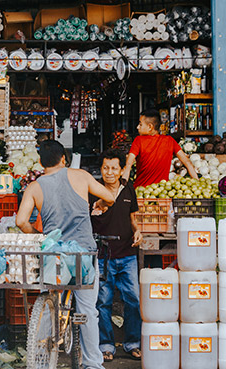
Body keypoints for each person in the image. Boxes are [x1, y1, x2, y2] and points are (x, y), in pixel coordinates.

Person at [16, 140, 116, 369]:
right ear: (64, 159)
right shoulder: (80, 176)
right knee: (87, 311)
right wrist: (100, 202)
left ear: (41, 162)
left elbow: (21, 221)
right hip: (82, 256)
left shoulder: (35, 186)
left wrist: (41, 236)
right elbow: (110, 197)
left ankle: (42, 344)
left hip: (53, 256)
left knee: (49, 294)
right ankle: (93, 364)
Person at [90, 149, 143, 362]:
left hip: (128, 254)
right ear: (100, 169)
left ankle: (132, 343)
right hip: (103, 255)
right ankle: (106, 345)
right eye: (105, 168)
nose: (109, 172)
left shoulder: (128, 188)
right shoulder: (94, 190)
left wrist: (137, 230)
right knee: (103, 302)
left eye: (114, 168)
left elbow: (132, 218)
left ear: (121, 169)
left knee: (133, 300)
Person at [122, 109, 197, 187]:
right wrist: (196, 182)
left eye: (140, 124)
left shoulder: (139, 140)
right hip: (162, 192)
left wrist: (123, 184)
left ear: (150, 127)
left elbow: (128, 164)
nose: (137, 127)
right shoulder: (170, 140)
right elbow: (187, 162)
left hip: (141, 191)